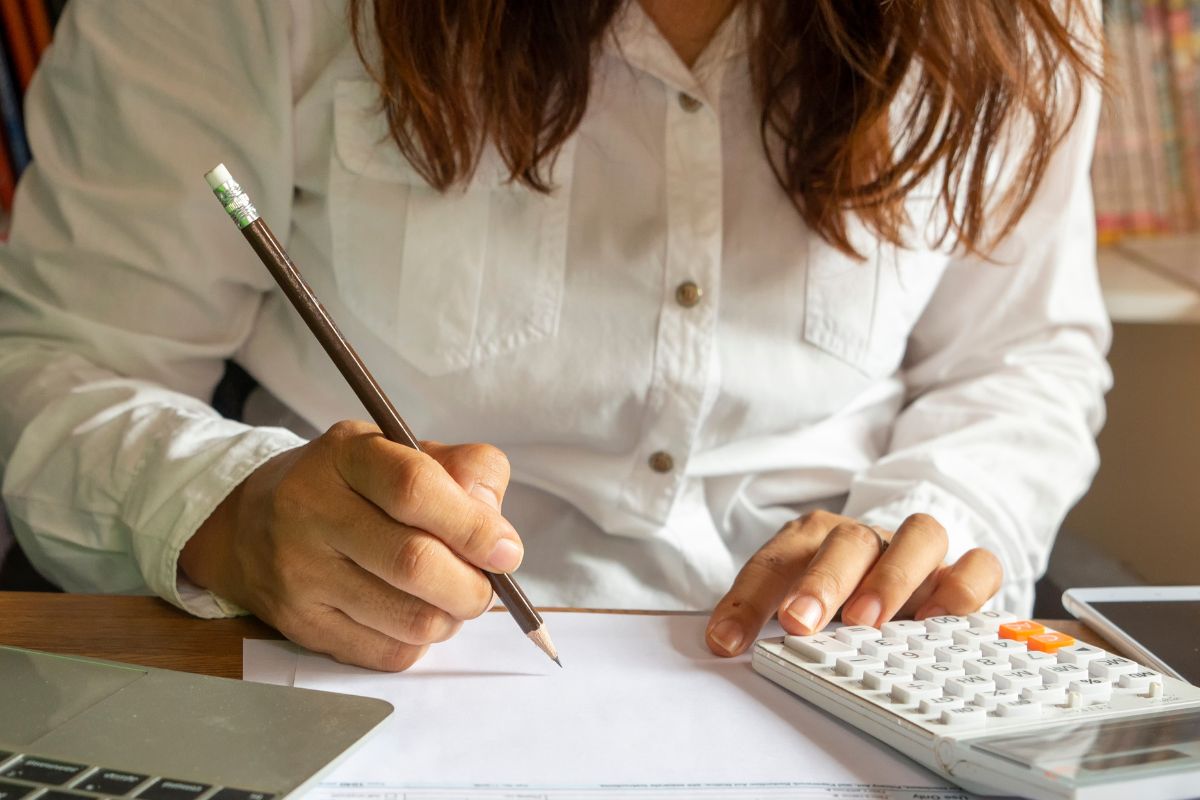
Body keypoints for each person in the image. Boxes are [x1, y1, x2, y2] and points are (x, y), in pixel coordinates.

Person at [0, 0, 1108, 671]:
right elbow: (57, 361)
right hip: (358, 668)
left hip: (844, 673)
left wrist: (930, 529)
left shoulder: (1017, 25)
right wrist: (234, 512)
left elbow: (1021, 360)